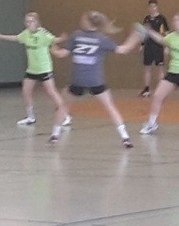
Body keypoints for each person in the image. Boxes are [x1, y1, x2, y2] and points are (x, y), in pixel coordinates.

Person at [49, 11, 144, 147]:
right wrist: (135, 37)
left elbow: (61, 54)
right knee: (110, 106)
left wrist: (51, 46)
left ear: (87, 22)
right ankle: (125, 137)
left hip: (78, 81)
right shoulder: (101, 39)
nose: (81, 20)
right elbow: (123, 49)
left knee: (64, 105)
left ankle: (55, 135)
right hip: (96, 81)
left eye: (83, 19)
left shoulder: (76, 36)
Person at [0, 12, 70, 128]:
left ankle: (65, 116)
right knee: (26, 91)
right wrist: (2, 37)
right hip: (32, 69)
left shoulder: (43, 33)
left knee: (51, 92)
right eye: (27, 21)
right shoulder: (26, 34)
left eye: (31, 21)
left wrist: (62, 38)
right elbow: (16, 38)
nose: (28, 24)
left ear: (36, 22)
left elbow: (54, 40)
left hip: (44, 68)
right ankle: (30, 117)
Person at [140, 0, 170, 98]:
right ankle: (146, 89)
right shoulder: (146, 19)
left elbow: (166, 33)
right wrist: (142, 44)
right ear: (148, 7)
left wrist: (167, 46)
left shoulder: (161, 19)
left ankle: (161, 90)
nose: (152, 8)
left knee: (160, 68)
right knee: (147, 68)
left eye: (154, 6)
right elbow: (144, 32)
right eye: (150, 6)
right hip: (148, 46)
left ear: (157, 7)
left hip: (158, 46)